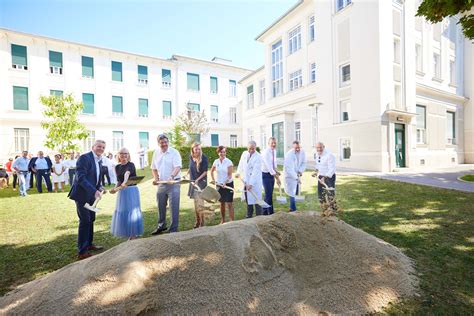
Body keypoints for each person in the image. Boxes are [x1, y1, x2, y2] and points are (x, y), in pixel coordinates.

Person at [68, 140, 106, 260]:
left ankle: (89, 244)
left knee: (91, 219)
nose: (101, 149)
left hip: (91, 195)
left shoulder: (99, 160)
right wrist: (93, 191)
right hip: (82, 194)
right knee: (85, 220)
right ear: (93, 147)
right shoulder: (84, 158)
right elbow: (81, 178)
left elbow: (96, 177)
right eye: (99, 146)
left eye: (103, 147)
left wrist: (99, 187)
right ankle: (82, 251)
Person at [151, 134, 182, 235]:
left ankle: (173, 229)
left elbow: (177, 167)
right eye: (161, 143)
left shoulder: (174, 152)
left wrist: (172, 176)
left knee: (174, 206)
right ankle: (161, 225)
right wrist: (156, 179)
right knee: (161, 205)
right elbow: (154, 168)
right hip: (161, 183)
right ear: (158, 143)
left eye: (165, 142)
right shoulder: (156, 153)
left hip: (174, 182)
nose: (164, 144)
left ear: (168, 142)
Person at [110, 148, 144, 240]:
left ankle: (133, 234)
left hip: (131, 190)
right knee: (123, 211)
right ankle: (127, 232)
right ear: (118, 155)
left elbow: (127, 173)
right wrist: (115, 189)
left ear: (128, 155)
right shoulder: (117, 167)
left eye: (126, 153)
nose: (124, 155)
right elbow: (119, 181)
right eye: (122, 153)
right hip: (122, 191)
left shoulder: (131, 165)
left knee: (132, 211)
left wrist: (125, 182)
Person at [236, 140, 263, 218]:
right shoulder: (244, 154)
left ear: (255, 148)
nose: (251, 150)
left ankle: (259, 216)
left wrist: (251, 184)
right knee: (248, 199)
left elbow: (255, 172)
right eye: (249, 148)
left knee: (257, 199)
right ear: (247, 147)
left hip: (255, 182)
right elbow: (241, 163)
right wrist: (238, 172)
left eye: (253, 149)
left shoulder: (258, 157)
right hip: (246, 180)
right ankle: (249, 215)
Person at [185, 142, 209, 228]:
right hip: (192, 182)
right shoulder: (191, 157)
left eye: (199, 149)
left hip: (201, 182)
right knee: (195, 203)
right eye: (196, 149)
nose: (198, 151)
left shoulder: (204, 157)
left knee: (200, 202)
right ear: (192, 149)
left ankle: (202, 222)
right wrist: (186, 174)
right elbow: (190, 167)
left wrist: (197, 180)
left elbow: (205, 172)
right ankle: (197, 221)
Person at [210, 146, 234, 224]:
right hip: (219, 185)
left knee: (229, 203)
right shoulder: (216, 161)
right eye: (221, 152)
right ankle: (223, 220)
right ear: (218, 153)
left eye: (224, 152)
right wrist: (213, 180)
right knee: (222, 203)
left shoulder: (229, 162)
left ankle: (232, 221)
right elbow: (211, 171)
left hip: (228, 184)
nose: (222, 153)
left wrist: (225, 182)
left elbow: (230, 175)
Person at [284, 141, 307, 212]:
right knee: (292, 192)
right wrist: (297, 178)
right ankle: (293, 209)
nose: (298, 149)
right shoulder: (289, 155)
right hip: (290, 176)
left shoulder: (302, 152)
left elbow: (304, 162)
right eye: (296, 148)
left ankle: (291, 208)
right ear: (293, 147)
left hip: (297, 173)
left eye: (299, 147)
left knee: (296, 192)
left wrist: (300, 171)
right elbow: (289, 169)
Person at [261, 137, 281, 215]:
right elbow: (269, 167)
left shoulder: (274, 151)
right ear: (268, 143)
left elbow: (274, 163)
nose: (274, 144)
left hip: (271, 174)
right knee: (268, 195)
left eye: (275, 143)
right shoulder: (266, 152)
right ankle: (266, 212)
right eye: (272, 143)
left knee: (269, 194)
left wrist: (277, 171)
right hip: (265, 175)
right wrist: (277, 178)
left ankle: (270, 212)